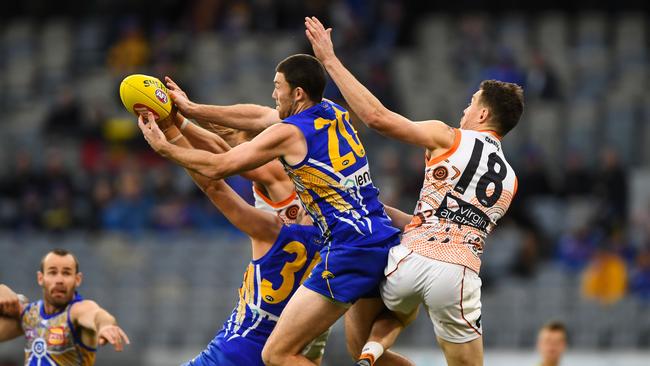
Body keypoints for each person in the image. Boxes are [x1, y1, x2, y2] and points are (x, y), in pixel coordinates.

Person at [138, 53, 406, 366]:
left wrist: (167, 142)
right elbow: (250, 123)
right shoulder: (333, 114)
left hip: (344, 254)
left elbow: (220, 166)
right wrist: (188, 114)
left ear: (298, 93)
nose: (273, 93)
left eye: (277, 86)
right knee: (362, 347)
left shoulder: (274, 211)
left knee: (276, 354)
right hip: (378, 242)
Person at [305, 16, 523, 366]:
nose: (464, 110)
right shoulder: (510, 180)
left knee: (394, 310)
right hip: (458, 274)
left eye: (470, 104)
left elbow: (376, 118)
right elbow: (454, 224)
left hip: (409, 261)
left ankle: (371, 351)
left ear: (482, 113)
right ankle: (373, 350)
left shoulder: (448, 135)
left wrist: (330, 60)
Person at [146, 111, 329, 366]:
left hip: (239, 350)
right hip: (299, 342)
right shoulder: (343, 239)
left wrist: (172, 130)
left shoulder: (274, 229)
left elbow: (216, 179)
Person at [0, 249, 130, 365]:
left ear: (77, 279)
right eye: (52, 272)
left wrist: (105, 325)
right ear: (41, 278)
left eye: (66, 273)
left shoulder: (77, 311)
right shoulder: (30, 316)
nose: (59, 280)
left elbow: (96, 314)